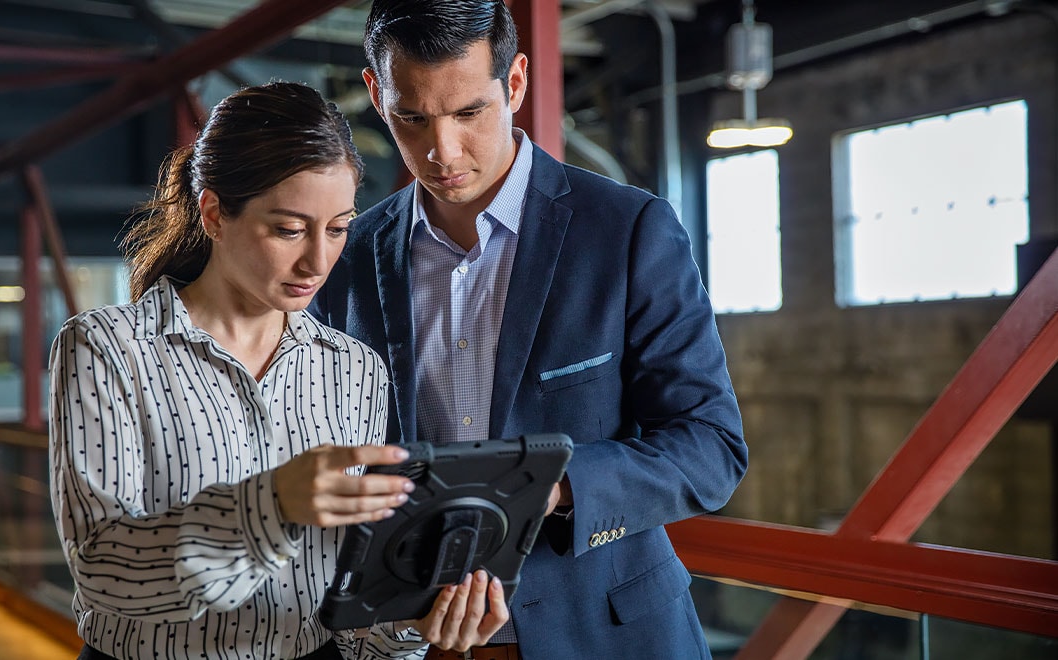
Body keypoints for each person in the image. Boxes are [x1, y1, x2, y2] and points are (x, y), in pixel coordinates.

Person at [307, 2, 750, 659]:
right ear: (376, 94)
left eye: (468, 113)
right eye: (412, 117)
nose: (441, 151)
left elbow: (711, 449)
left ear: (513, 84)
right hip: (417, 639)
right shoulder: (345, 259)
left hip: (608, 635)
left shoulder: (627, 232)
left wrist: (554, 484)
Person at [48, 81, 504, 660]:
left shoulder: (355, 368)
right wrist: (271, 506)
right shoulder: (108, 348)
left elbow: (352, 594)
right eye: (289, 229)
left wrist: (417, 619)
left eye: (338, 228)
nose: (317, 261)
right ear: (214, 213)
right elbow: (103, 570)